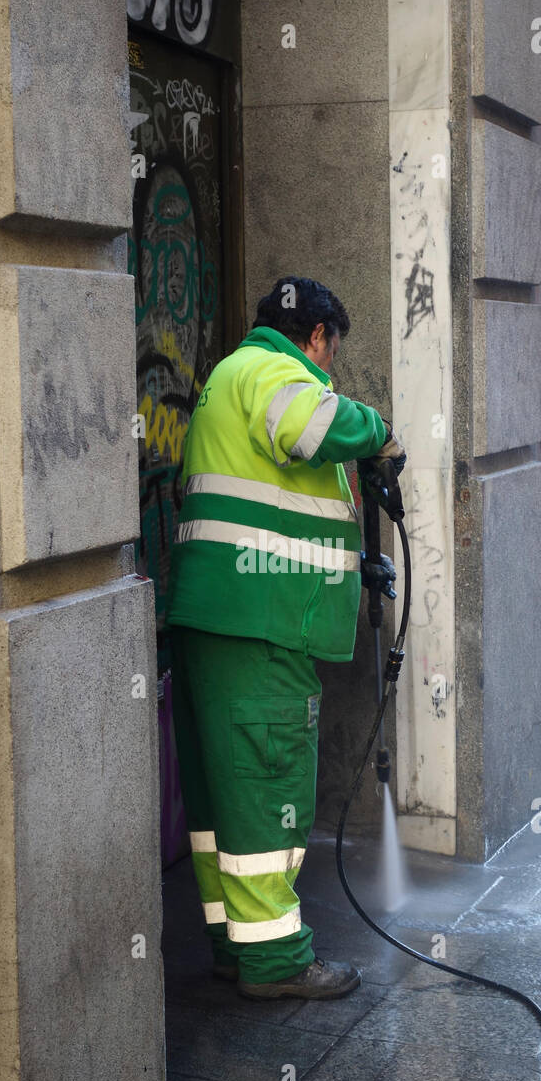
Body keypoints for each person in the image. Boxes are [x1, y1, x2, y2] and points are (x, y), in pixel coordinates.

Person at [167, 277, 406, 1000]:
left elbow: (270, 509)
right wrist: (378, 429)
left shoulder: (227, 381)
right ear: (317, 337)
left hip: (221, 618)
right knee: (271, 790)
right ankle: (277, 962)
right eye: (331, 355)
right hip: (258, 626)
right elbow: (315, 426)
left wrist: (352, 561)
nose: (329, 372)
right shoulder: (274, 369)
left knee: (223, 804)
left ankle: (235, 947)